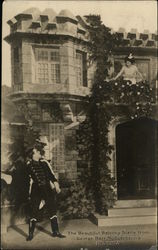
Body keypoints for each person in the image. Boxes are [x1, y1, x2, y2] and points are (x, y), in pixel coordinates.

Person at [26, 145, 65, 241]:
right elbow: (26, 181)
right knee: (34, 210)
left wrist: (56, 185)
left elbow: (51, 175)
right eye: (37, 151)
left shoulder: (44, 163)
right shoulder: (28, 166)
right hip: (36, 190)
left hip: (47, 189)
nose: (39, 152)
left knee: (52, 208)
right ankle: (30, 234)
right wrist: (28, 193)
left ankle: (55, 232)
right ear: (33, 154)